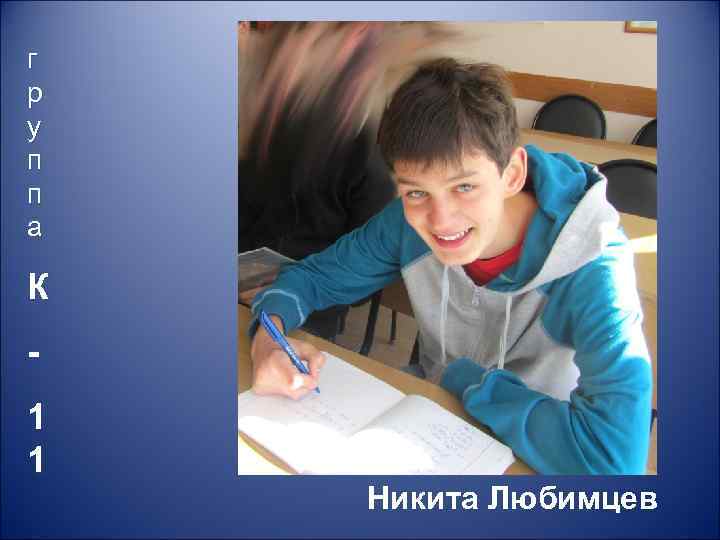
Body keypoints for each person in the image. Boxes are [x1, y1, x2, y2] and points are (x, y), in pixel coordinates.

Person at [248, 58, 652, 474]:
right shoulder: (404, 222)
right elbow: (310, 279)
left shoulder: (594, 263)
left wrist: (464, 379)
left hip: (540, 453)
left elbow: (613, 464)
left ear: (512, 174)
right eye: (416, 192)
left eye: (465, 186)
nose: (441, 221)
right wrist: (268, 341)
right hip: (430, 424)